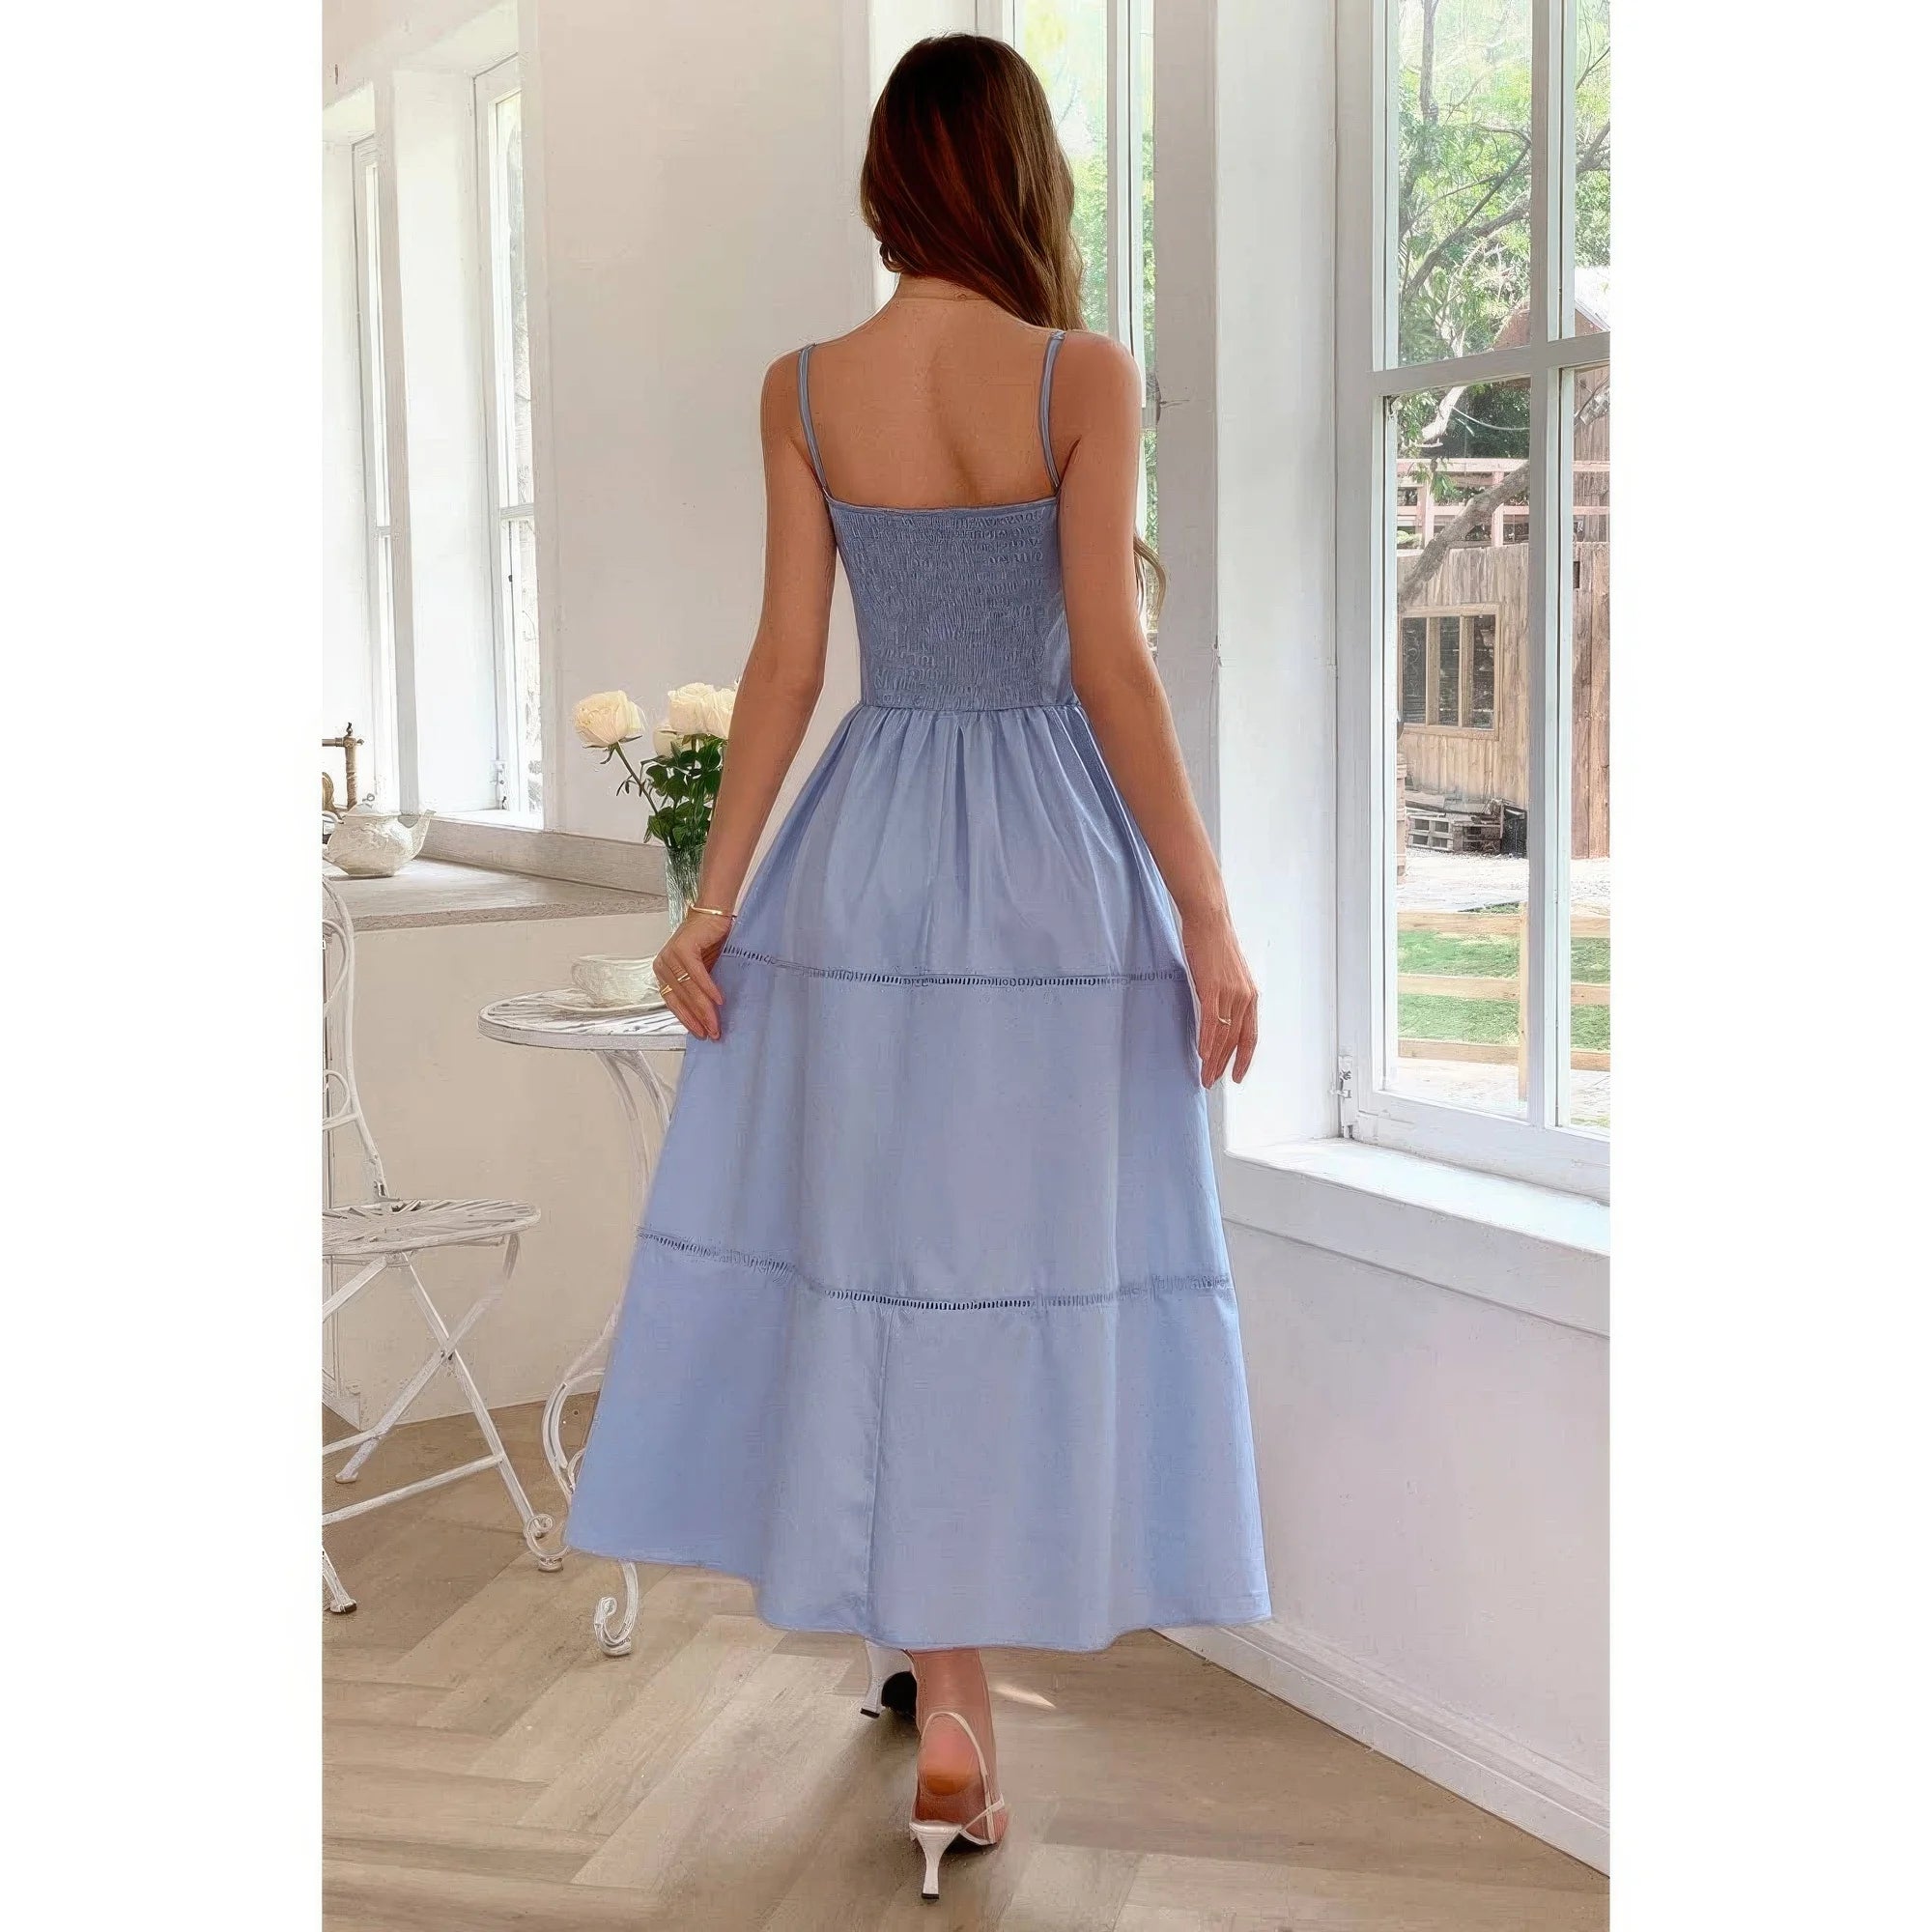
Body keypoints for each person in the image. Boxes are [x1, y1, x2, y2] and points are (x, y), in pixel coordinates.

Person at [565, 31, 1270, 1902]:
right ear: (1024, 177)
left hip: (867, 858)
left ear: (894, 176)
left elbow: (787, 664)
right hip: (1050, 862)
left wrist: (715, 900)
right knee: (1021, 1263)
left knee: (891, 1263)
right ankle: (963, 1685)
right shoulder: (1078, 373)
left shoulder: (808, 386)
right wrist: (1204, 909)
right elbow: (1111, 665)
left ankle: (948, 1697)